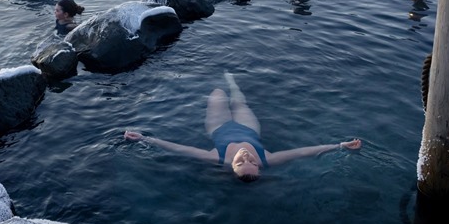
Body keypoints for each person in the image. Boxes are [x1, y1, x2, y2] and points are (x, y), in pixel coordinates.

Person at [124, 72, 362, 182]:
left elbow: (177, 148)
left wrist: (144, 138)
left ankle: (219, 80)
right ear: (260, 166)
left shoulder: (216, 158)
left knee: (217, 95)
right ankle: (232, 80)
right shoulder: (267, 158)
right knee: (238, 101)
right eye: (253, 163)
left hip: (218, 128)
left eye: (241, 163)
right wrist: (340, 145)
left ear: (232, 166)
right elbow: (304, 152)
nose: (248, 157)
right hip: (248, 129)